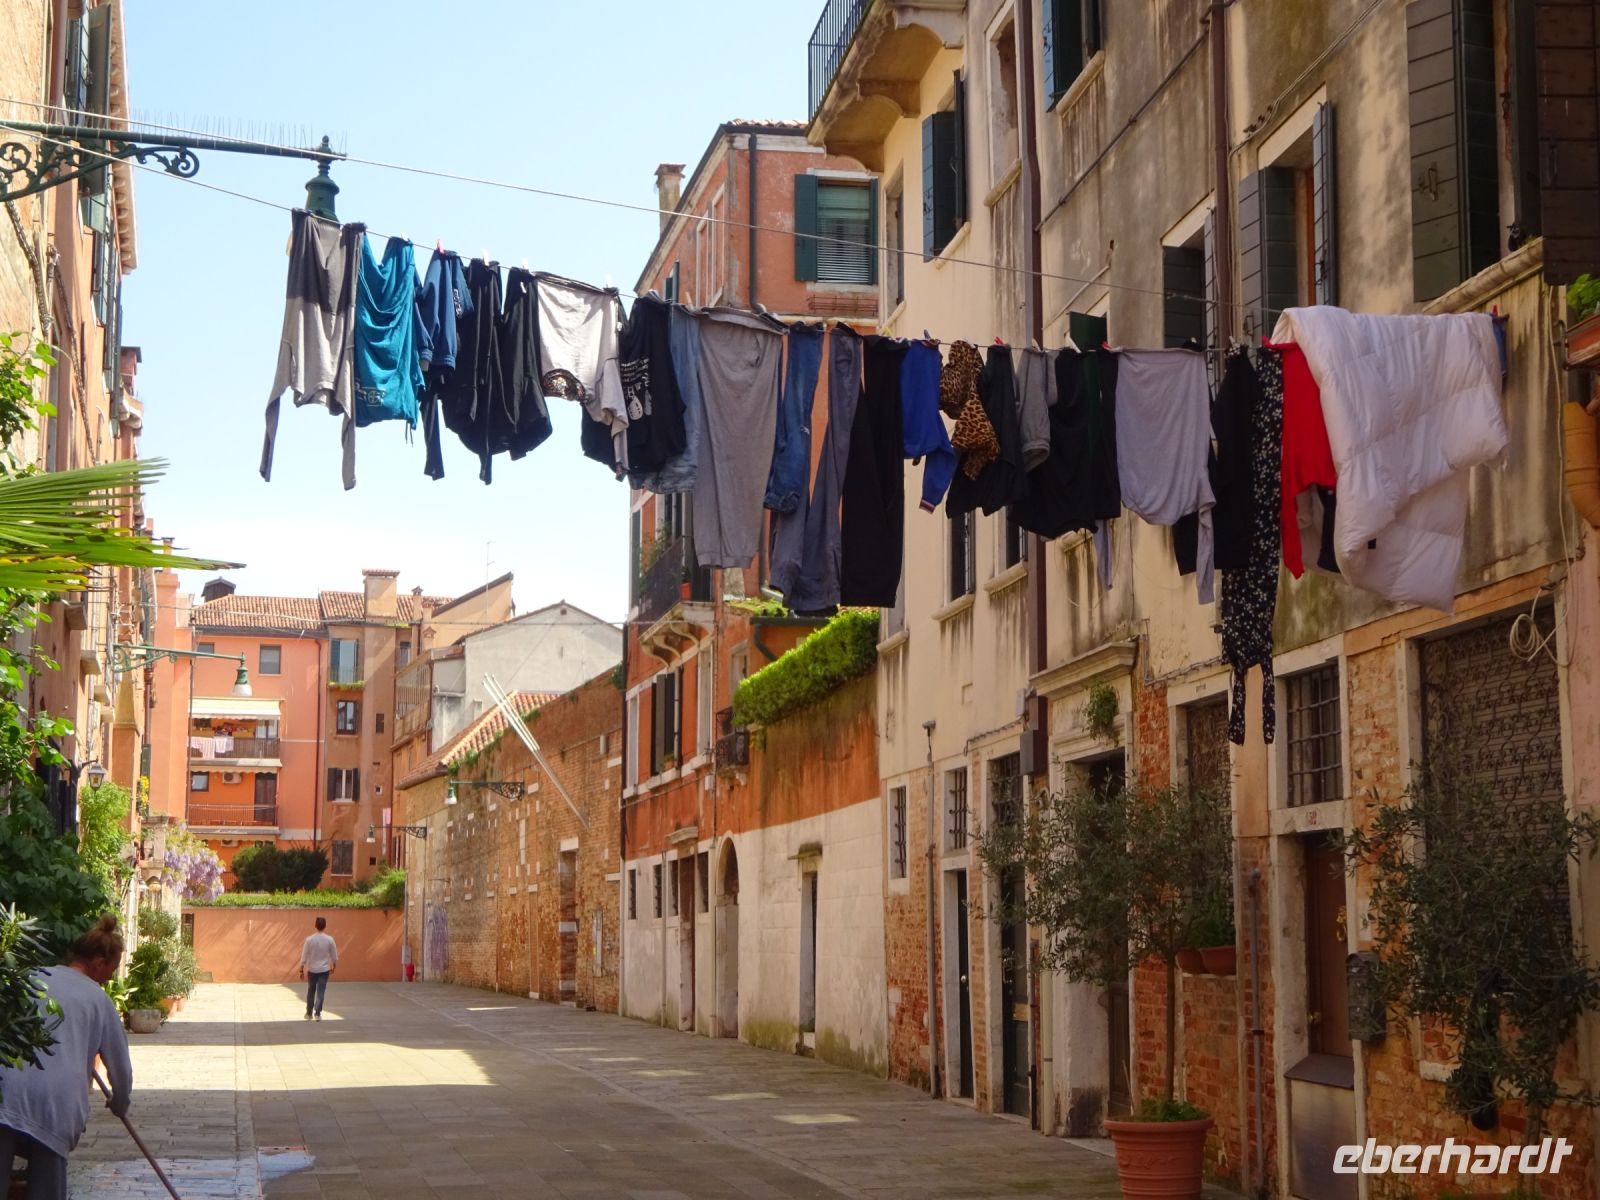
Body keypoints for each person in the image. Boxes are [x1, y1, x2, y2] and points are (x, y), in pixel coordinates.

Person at [0, 914, 133, 1200]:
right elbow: (120, 1066)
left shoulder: (32, 977)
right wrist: (121, 1101)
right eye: (112, 969)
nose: (110, 976)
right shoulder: (99, 1000)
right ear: (98, 963)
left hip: (5, 1091)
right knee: (46, 1190)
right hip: (55, 1102)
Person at [298, 916, 338, 1020]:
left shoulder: (309, 940)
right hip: (324, 970)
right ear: (325, 926)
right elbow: (334, 956)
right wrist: (334, 967)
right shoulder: (330, 939)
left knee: (311, 991)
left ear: (315, 925)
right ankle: (317, 1014)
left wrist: (301, 969)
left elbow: (304, 955)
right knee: (321, 991)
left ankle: (309, 1013)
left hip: (312, 970)